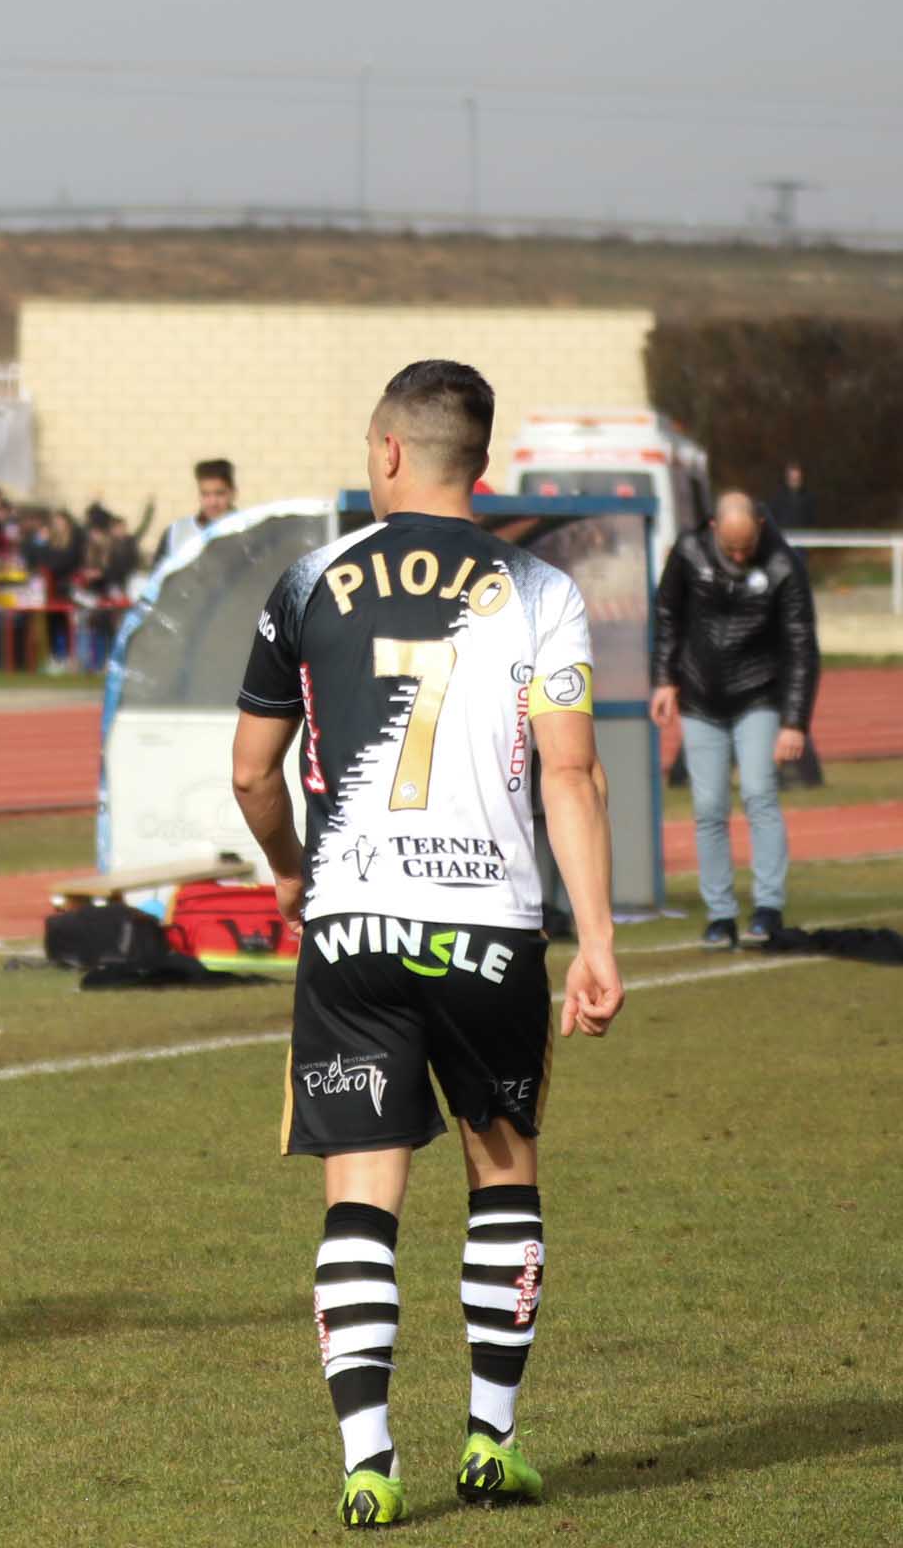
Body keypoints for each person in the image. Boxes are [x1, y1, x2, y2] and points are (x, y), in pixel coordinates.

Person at [229, 360, 623, 1528]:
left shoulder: (308, 579)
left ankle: (367, 1461)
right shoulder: (543, 589)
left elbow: (251, 771)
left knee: (364, 1189)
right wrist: (595, 937)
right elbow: (571, 771)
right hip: (491, 929)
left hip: (353, 921)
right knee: (502, 1166)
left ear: (388, 450)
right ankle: (492, 1442)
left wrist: (296, 871)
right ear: (480, 463)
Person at [651, 491, 818, 948]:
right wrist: (664, 679)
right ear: (713, 530)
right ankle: (719, 914)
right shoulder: (687, 552)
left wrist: (795, 720)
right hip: (700, 698)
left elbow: (802, 643)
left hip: (758, 695)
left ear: (760, 527)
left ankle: (768, 908)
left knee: (761, 794)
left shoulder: (784, 566)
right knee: (708, 809)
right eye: (731, 549)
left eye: (746, 547)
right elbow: (667, 616)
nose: (740, 556)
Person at [157, 457, 238, 566]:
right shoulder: (177, 533)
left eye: (219, 494)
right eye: (206, 494)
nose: (213, 502)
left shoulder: (248, 533)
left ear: (232, 493)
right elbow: (159, 577)